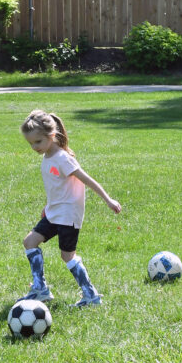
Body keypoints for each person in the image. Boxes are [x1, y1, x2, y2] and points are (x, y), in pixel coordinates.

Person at [19, 110, 121, 306]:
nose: (34, 147)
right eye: (30, 143)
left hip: (67, 215)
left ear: (51, 135)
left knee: (67, 255)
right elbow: (57, 187)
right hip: (54, 212)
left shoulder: (63, 158)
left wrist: (108, 200)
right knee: (30, 242)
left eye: (37, 142)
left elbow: (87, 180)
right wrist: (47, 207)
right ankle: (40, 289)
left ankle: (90, 295)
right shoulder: (48, 155)